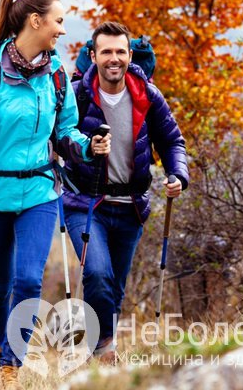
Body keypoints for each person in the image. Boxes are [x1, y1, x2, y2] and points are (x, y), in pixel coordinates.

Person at [0, 0, 103, 390]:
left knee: (29, 281)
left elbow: (66, 132)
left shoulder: (58, 74)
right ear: (36, 21)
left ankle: (12, 365)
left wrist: (88, 146)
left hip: (40, 193)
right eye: (59, 21)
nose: (63, 30)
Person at [61, 21, 189, 363]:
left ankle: (98, 349)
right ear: (93, 56)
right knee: (97, 273)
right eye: (106, 52)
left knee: (114, 286)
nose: (113, 58)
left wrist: (179, 174)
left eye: (120, 51)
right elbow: (59, 140)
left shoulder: (147, 95)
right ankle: (104, 348)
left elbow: (172, 140)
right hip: (85, 202)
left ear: (130, 55)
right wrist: (84, 148)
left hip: (131, 204)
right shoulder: (77, 95)